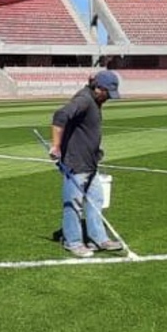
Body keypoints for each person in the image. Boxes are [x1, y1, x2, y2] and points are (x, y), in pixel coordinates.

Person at [49, 70, 124, 257]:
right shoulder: (84, 100)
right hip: (76, 163)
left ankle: (98, 239)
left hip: (90, 163)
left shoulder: (94, 99)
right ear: (99, 89)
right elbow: (60, 116)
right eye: (107, 94)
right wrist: (56, 146)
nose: (108, 98)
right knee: (73, 203)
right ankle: (73, 242)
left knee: (96, 200)